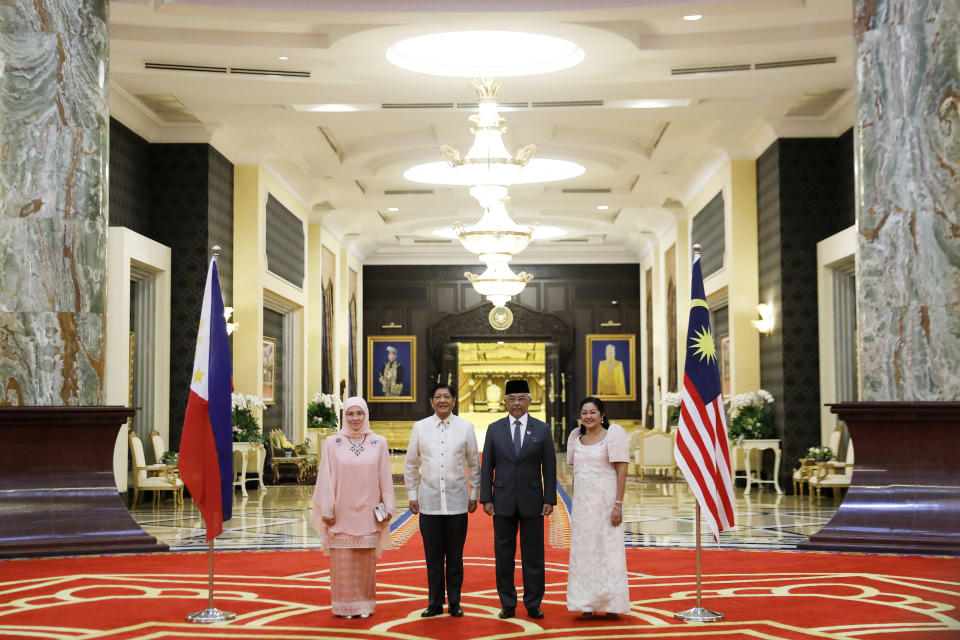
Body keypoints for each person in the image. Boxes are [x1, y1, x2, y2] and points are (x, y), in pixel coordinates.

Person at [479, 379, 557, 620]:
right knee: (504, 554)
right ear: (505, 402)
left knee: (533, 554)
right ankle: (507, 602)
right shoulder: (494, 429)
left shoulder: (542, 429)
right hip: (501, 500)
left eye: (521, 398)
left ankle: (533, 602)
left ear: (529, 401)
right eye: (511, 399)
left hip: (533, 500)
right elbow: (486, 466)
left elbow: (550, 467)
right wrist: (486, 498)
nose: (516, 404)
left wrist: (549, 498)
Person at [312, 396, 396, 618]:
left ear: (366, 415)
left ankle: (364, 605)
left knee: (364, 563)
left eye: (359, 413)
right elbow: (326, 479)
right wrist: (327, 509)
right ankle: (343, 606)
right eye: (350, 414)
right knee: (343, 563)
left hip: (368, 513)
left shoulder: (379, 442)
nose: (355, 418)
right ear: (344, 416)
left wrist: (388, 506)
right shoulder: (333, 443)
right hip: (340, 514)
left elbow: (385, 477)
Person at [404, 383, 480, 618]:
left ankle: (455, 603)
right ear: (431, 401)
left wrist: (474, 493)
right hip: (429, 502)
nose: (442, 400)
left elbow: (474, 465)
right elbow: (411, 464)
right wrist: (412, 495)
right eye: (438, 397)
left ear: (454, 401)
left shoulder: (466, 428)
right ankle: (435, 603)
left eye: (447, 396)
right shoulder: (420, 428)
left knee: (455, 559)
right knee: (433, 559)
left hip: (457, 502)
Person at [566, 396, 630, 619]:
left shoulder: (614, 435)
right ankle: (586, 603)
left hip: (607, 506)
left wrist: (618, 505)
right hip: (584, 508)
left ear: (602, 415)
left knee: (608, 552)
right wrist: (575, 505)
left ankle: (612, 603)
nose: (588, 417)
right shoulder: (575, 437)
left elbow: (622, 471)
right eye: (584, 413)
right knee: (584, 554)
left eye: (592, 412)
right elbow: (576, 475)